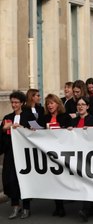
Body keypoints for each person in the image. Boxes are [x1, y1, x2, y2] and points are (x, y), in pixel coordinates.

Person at [1, 91, 36, 219]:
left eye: (16, 102)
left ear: (22, 103)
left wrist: (22, 128)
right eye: (12, 102)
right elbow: (2, 137)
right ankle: (15, 207)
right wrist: (4, 129)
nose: (14, 105)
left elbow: (36, 131)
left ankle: (26, 207)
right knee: (10, 180)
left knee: (24, 179)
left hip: (24, 153)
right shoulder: (7, 117)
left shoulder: (29, 116)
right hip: (10, 153)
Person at [38, 93, 73, 217]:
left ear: (58, 104)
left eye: (52, 103)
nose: (49, 106)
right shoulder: (43, 118)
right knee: (54, 181)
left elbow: (71, 131)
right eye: (48, 104)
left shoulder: (65, 116)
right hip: (49, 153)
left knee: (62, 179)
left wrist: (68, 129)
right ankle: (58, 206)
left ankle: (62, 205)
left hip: (62, 153)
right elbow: (38, 132)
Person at [71, 96, 93, 221]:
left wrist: (91, 131)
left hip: (92, 157)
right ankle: (91, 208)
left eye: (83, 104)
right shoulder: (73, 122)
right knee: (84, 183)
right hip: (78, 156)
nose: (80, 106)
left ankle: (86, 209)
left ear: (88, 106)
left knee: (88, 182)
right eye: (78, 104)